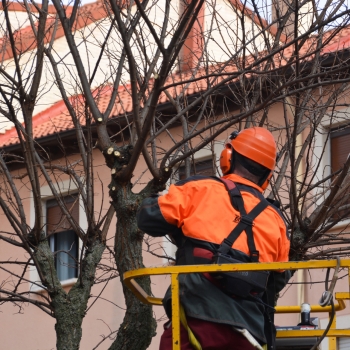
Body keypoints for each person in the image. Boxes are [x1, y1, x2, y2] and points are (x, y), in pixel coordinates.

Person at [137, 127, 290, 350]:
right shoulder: (276, 220)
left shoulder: (198, 189)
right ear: (267, 176)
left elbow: (148, 218)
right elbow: (276, 282)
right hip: (249, 335)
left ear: (228, 156)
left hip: (194, 322)